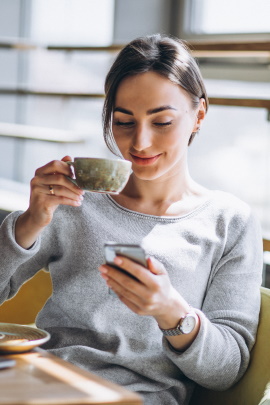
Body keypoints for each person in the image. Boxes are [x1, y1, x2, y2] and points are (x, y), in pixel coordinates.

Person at [0, 34, 263, 405]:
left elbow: (227, 370)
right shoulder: (75, 201)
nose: (140, 142)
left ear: (199, 115)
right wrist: (30, 221)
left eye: (162, 121)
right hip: (40, 384)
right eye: (124, 122)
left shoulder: (229, 222)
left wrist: (171, 312)